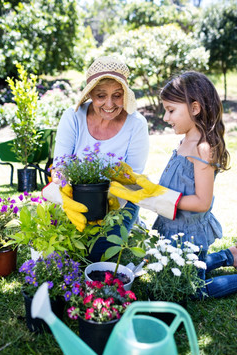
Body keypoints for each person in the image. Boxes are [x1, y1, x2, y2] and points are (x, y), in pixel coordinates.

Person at [110, 71, 237, 298]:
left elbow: (203, 202)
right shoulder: (185, 141)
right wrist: (144, 187)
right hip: (172, 229)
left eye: (171, 110)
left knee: (191, 289)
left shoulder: (202, 148)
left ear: (195, 108)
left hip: (188, 235)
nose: (166, 118)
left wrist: (160, 199)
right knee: (177, 269)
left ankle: (228, 263)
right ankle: (230, 256)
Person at [42, 56, 181, 262]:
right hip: (76, 196)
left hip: (120, 200)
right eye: (101, 96)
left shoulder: (136, 124)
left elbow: (132, 177)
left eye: (117, 95)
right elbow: (61, 167)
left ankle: (131, 224)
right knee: (65, 251)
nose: (110, 104)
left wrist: (109, 203)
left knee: (97, 256)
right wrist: (68, 193)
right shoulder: (72, 117)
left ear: (125, 94)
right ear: (90, 94)